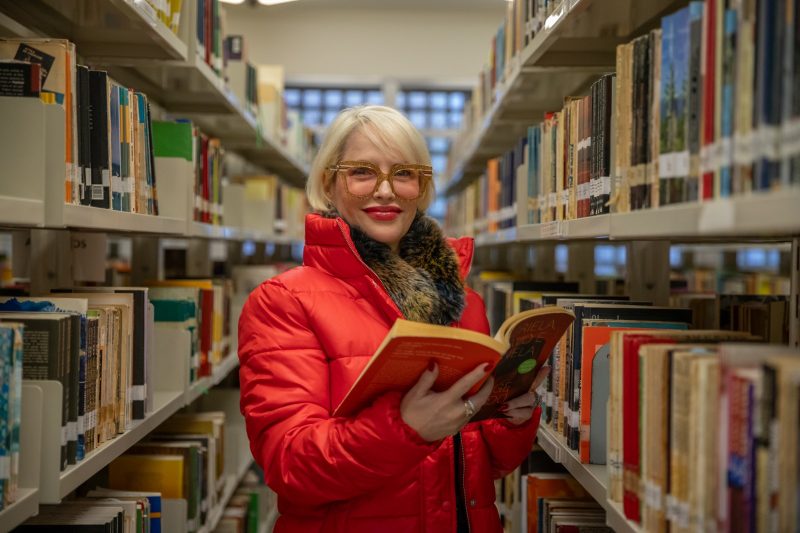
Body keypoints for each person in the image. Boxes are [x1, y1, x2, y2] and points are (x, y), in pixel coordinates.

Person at [238, 105, 548, 532]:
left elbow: (487, 467)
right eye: (362, 172)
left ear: (420, 189)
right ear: (329, 184)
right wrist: (405, 430)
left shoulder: (461, 301)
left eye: (404, 173)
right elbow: (289, 465)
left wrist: (514, 418)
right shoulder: (284, 302)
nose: (385, 191)